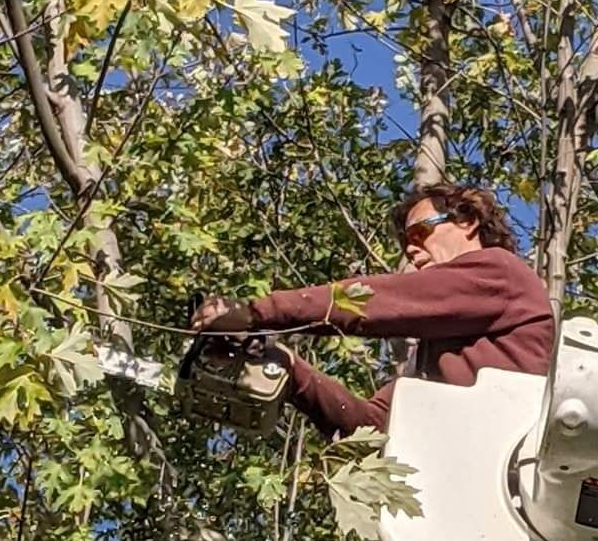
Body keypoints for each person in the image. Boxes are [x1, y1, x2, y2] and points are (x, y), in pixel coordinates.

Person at [190, 183, 555, 437]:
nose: (411, 251)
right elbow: (371, 426)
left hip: (506, 470)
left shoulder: (500, 272)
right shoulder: (432, 361)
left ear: (467, 222)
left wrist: (257, 312)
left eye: (419, 234)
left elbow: (380, 300)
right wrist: (286, 366)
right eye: (405, 243)